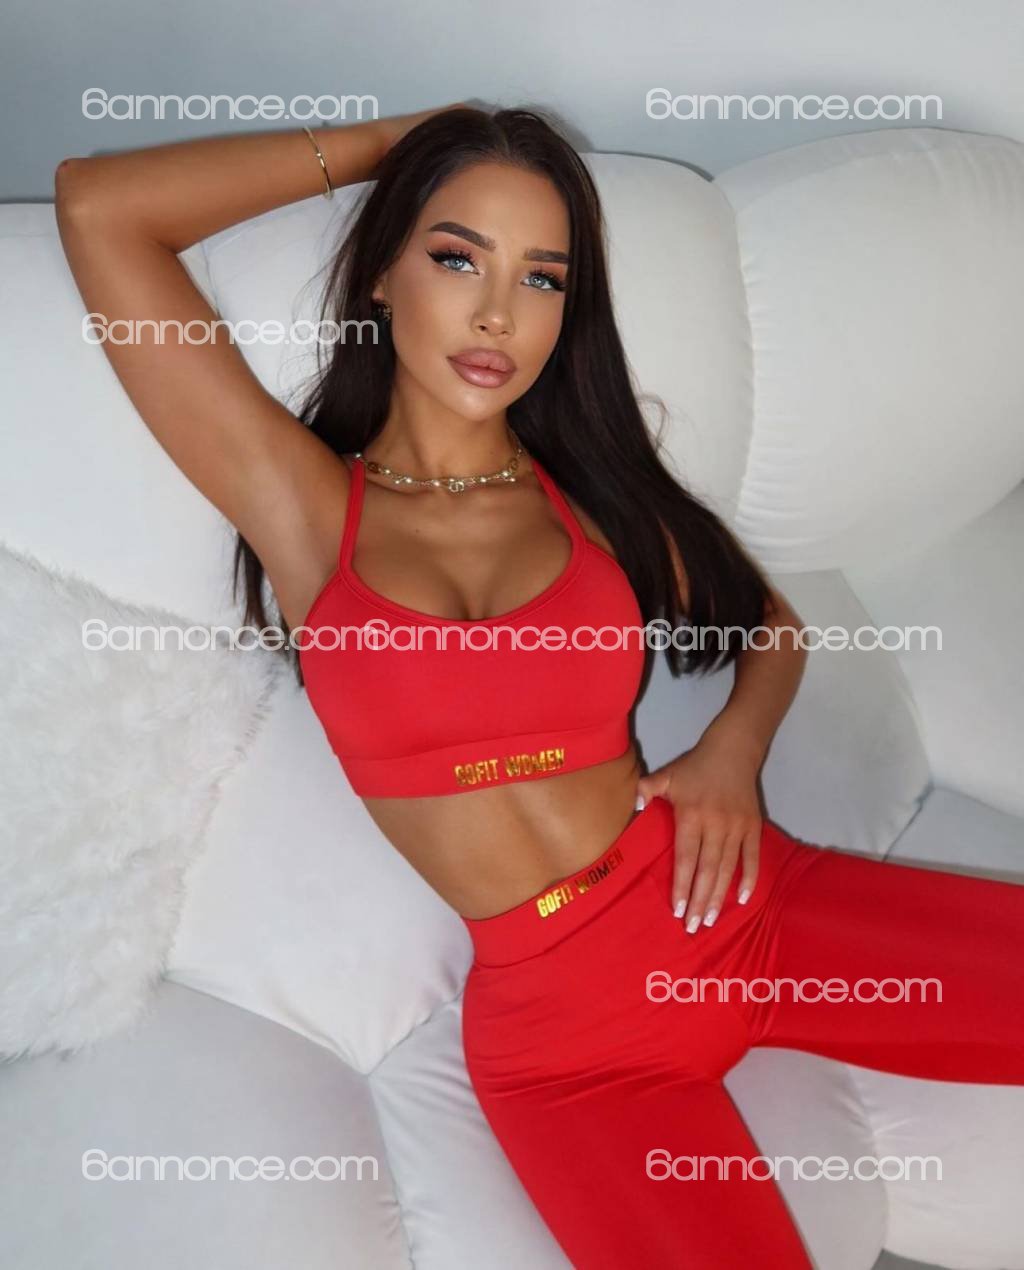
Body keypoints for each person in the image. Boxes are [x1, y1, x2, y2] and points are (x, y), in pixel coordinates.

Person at [55, 103, 1024, 1269]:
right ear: (382, 275)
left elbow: (769, 624)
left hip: (746, 914)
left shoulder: (594, 500)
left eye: (542, 278)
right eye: (456, 257)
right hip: (571, 1053)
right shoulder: (306, 511)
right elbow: (101, 209)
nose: (497, 314)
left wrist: (729, 754)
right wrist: (401, 145)